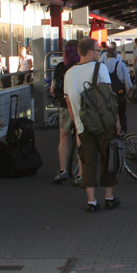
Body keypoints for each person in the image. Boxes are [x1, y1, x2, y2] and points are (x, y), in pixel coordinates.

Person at [64, 37, 121, 212]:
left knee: (88, 162)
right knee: (107, 159)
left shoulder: (69, 73)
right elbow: (109, 97)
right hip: (103, 124)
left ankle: (91, 202)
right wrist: (116, 120)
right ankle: (109, 198)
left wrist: (76, 124)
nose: (99, 53)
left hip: (83, 126)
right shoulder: (100, 68)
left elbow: (68, 101)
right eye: (98, 51)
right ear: (89, 52)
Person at [51, 40, 80, 183]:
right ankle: (81, 174)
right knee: (81, 137)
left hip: (64, 105)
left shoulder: (60, 67)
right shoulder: (83, 66)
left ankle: (63, 170)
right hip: (81, 106)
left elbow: (53, 89)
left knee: (64, 137)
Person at [104, 42, 132, 133]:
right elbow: (128, 82)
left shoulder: (102, 66)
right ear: (116, 55)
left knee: (109, 116)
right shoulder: (121, 65)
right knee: (122, 114)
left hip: (107, 97)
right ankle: (124, 134)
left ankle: (111, 134)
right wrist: (129, 93)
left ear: (106, 55)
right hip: (120, 95)